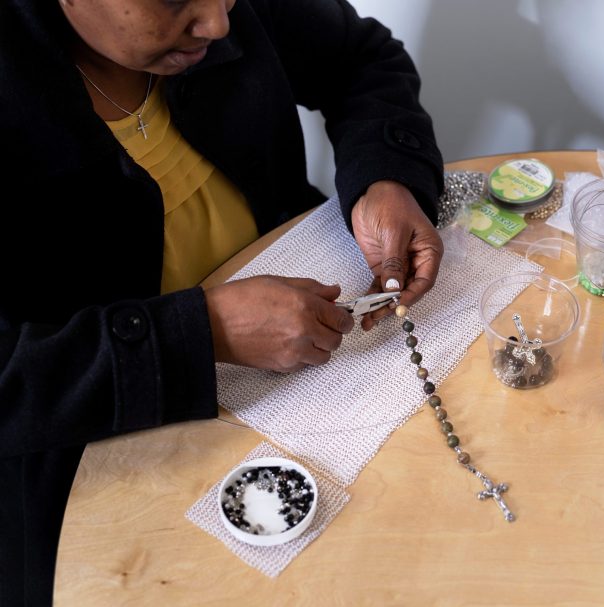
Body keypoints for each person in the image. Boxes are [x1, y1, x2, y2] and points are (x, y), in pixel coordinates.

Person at [0, 0, 445, 603]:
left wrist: (384, 176)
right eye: (175, 1)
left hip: (305, 344)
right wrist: (199, 332)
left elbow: (359, 56)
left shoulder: (226, 11)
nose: (218, 24)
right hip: (96, 445)